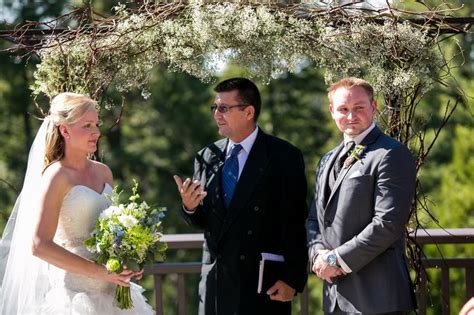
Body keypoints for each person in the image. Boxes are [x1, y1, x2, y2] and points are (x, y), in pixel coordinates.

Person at [0, 93, 153, 314]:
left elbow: (114, 231)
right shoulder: (57, 176)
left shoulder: (104, 172)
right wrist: (100, 272)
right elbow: (39, 245)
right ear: (65, 130)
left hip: (115, 296)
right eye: (87, 126)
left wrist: (129, 258)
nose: (97, 132)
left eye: (97, 125)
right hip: (75, 298)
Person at [174, 78, 308, 315]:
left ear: (248, 112)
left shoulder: (284, 156)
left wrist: (293, 279)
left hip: (263, 286)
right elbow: (206, 222)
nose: (216, 114)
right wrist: (190, 207)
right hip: (216, 284)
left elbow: (296, 223)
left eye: (224, 108)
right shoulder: (206, 156)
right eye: (214, 107)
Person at [306, 77, 416, 314]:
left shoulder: (391, 154)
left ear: (373, 107)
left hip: (378, 299)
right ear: (332, 110)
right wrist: (318, 255)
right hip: (334, 298)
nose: (350, 116)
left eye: (359, 108)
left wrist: (335, 261)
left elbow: (387, 223)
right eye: (343, 109)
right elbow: (315, 220)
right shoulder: (326, 159)